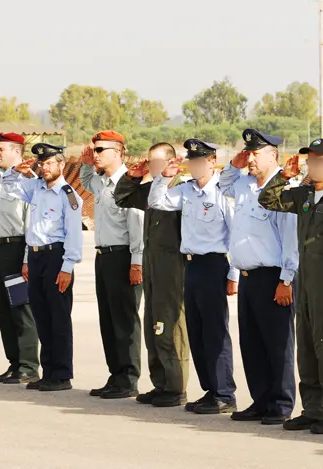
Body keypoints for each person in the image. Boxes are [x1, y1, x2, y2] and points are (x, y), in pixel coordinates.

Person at [258, 138, 323, 435]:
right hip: (305, 282)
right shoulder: (303, 194)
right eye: (309, 161)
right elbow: (267, 200)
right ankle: (314, 409)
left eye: (318, 161)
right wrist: (283, 176)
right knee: (307, 347)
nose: (312, 165)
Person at [147, 139, 239, 414]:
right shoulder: (185, 190)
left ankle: (225, 393)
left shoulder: (223, 192)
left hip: (214, 265)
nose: (195, 166)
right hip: (191, 265)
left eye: (200, 161)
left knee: (215, 332)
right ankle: (210, 390)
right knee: (197, 332)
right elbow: (157, 201)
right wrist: (165, 177)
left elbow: (235, 234)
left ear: (211, 162)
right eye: (192, 161)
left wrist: (233, 274)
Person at [219, 129, 299, 425]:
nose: (250, 158)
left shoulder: (285, 188)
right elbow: (223, 183)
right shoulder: (242, 185)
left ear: (272, 156)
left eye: (255, 153)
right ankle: (261, 399)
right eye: (248, 152)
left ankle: (281, 403)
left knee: (278, 343)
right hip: (248, 276)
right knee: (252, 343)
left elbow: (291, 238)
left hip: (273, 276)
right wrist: (235, 163)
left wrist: (286, 279)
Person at [113, 142, 190, 408]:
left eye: (157, 163)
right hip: (152, 263)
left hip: (173, 265)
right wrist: (133, 176)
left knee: (171, 325)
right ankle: (160, 383)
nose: (153, 168)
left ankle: (176, 386)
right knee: (153, 325)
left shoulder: (182, 191)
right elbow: (121, 197)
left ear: (171, 163)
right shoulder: (150, 190)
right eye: (150, 163)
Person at [1, 143, 83, 391]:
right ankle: (48, 372)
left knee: (58, 318)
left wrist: (67, 267)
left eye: (49, 163)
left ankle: (61, 375)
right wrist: (16, 169)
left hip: (56, 257)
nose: (44, 167)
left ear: (61, 164)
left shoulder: (68, 195)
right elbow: (8, 188)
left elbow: (73, 235)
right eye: (41, 163)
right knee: (41, 316)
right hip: (36, 258)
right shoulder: (35, 188)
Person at [80, 131, 144, 399]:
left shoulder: (129, 183)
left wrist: (137, 263)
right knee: (108, 319)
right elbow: (85, 180)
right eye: (94, 150)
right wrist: (85, 162)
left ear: (118, 152)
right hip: (104, 256)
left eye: (100, 150)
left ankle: (128, 378)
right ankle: (115, 374)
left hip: (123, 257)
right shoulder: (102, 182)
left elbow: (137, 227)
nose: (95, 154)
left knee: (124, 319)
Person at [0, 133, 40, 384]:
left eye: (2, 149)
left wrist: (26, 259)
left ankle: (28, 365)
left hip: (17, 249)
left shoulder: (29, 180)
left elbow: (31, 223)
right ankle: (14, 363)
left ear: (17, 151)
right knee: (4, 308)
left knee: (21, 306)